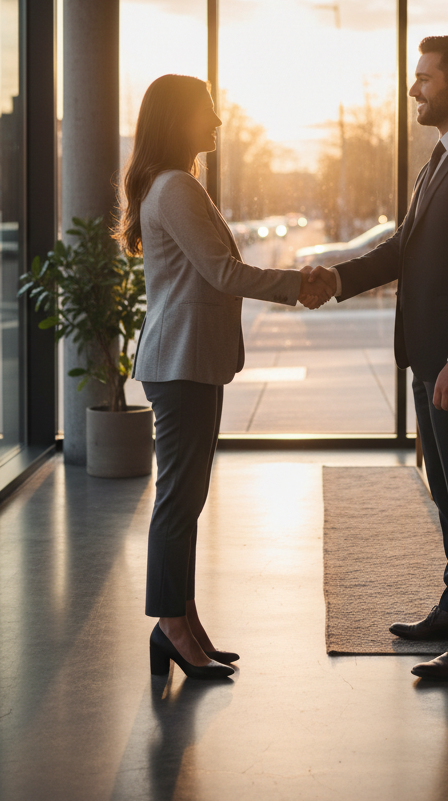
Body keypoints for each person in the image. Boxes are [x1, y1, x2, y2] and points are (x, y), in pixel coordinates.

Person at [306, 36, 448, 680]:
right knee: (446, 491)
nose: (413, 90)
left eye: (424, 78)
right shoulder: (440, 161)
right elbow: (403, 247)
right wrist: (336, 279)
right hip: (429, 360)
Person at [116, 74, 331, 681]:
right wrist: (296, 285)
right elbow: (223, 273)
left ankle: (183, 621)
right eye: (207, 112)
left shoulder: (175, 185)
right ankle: (172, 627)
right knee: (178, 501)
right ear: (178, 119)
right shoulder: (176, 188)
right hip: (180, 363)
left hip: (189, 361)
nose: (216, 122)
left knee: (186, 497)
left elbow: (215, 272)